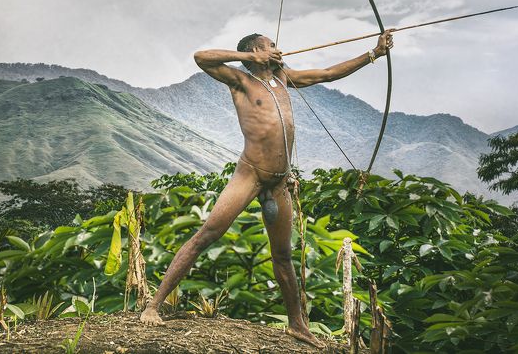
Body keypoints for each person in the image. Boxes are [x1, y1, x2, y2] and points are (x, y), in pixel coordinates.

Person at [140, 30, 394, 346]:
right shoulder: (241, 81)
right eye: (270, 45)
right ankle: (153, 306)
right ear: (258, 50)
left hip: (279, 182)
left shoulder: (284, 78)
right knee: (206, 235)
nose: (277, 48)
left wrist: (374, 54)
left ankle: (298, 325)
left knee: (283, 255)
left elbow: (328, 73)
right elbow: (201, 57)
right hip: (250, 175)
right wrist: (250, 59)